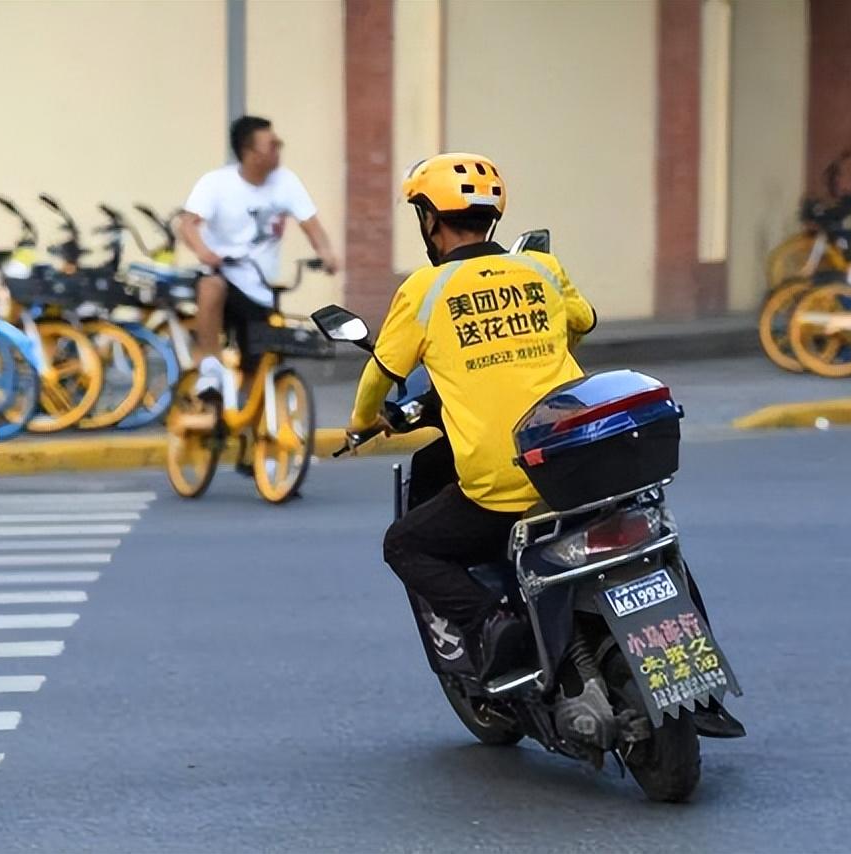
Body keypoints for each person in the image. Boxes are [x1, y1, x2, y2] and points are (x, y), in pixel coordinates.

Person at [349, 153, 596, 678]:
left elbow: (381, 373)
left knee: (405, 545)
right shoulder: (541, 268)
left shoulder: (425, 290)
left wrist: (362, 422)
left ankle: (493, 623)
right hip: (580, 464)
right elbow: (583, 320)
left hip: (506, 485)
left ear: (430, 220)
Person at [178, 115, 340, 409]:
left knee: (257, 368)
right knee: (210, 285)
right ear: (250, 153)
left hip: (262, 290)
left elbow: (311, 224)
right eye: (272, 145)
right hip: (228, 280)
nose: (279, 149)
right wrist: (205, 252)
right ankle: (210, 369)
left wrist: (326, 253)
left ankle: (250, 438)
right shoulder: (216, 183)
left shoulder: (286, 182)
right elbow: (188, 224)